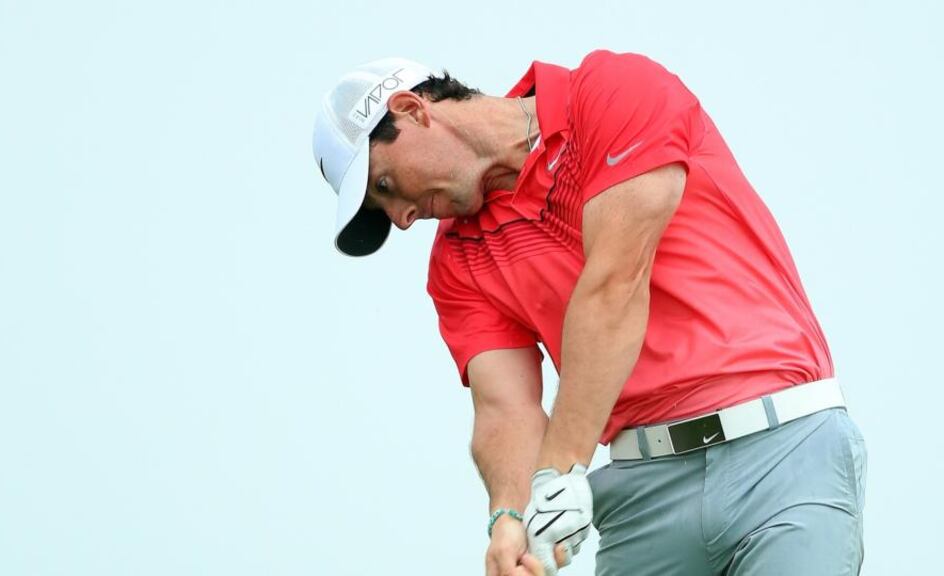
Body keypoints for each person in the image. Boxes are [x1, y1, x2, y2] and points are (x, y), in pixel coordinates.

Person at [311, 51, 867, 576]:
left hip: (785, 449)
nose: (402, 219)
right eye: (382, 213)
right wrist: (512, 517)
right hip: (641, 496)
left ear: (411, 110)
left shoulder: (612, 94)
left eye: (384, 186)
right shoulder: (458, 260)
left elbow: (615, 286)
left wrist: (558, 473)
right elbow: (506, 408)